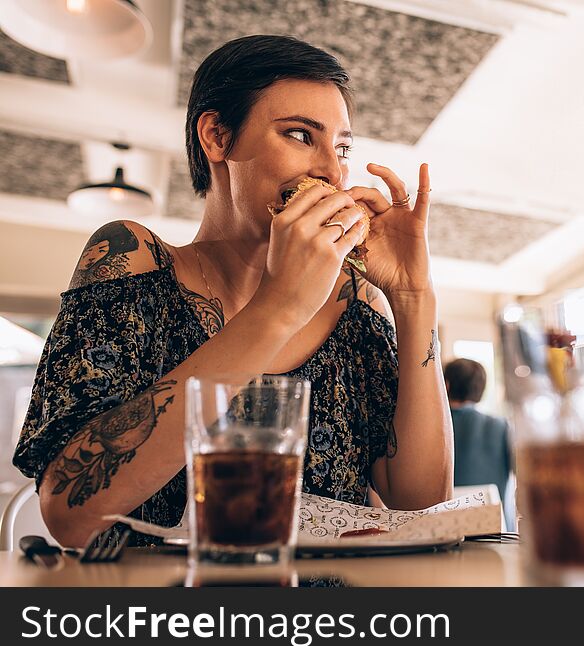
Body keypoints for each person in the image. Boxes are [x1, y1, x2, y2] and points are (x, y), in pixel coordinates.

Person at [13, 35, 453, 547]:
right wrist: (280, 306)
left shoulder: (357, 304)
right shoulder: (132, 256)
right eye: (299, 135)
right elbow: (69, 513)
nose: (332, 171)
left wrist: (413, 297)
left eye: (342, 148)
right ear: (218, 137)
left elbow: (424, 510)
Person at [444, 359, 512, 516]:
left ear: (446, 385)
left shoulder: (432, 428)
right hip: (496, 529)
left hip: (443, 528)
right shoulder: (501, 426)